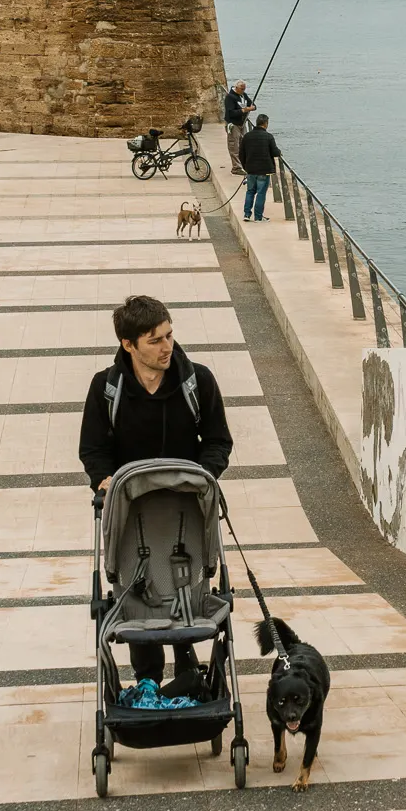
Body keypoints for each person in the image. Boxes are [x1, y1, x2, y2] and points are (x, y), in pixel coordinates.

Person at [78, 294, 235, 696]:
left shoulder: (197, 381)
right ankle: (147, 676)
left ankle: (187, 665)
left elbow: (217, 440)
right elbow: (93, 449)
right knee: (137, 584)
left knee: (186, 579)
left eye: (169, 335)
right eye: (154, 340)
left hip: (186, 508)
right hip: (131, 511)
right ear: (128, 344)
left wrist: (204, 476)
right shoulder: (106, 388)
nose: (167, 347)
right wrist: (103, 480)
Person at [238, 113, 280, 222]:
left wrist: (245, 167)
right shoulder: (269, 137)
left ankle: (247, 214)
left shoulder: (247, 136)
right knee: (261, 193)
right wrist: (280, 152)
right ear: (265, 124)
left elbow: (241, 154)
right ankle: (258, 217)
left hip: (251, 170)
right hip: (264, 171)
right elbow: (275, 152)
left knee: (250, 192)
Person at [222, 80, 255, 173]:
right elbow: (231, 113)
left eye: (244, 89)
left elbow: (252, 104)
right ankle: (236, 167)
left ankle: (243, 164)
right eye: (241, 89)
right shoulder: (230, 97)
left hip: (242, 123)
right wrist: (244, 110)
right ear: (236, 88)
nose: (243, 91)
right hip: (233, 124)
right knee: (234, 146)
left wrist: (252, 107)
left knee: (243, 144)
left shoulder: (244, 95)